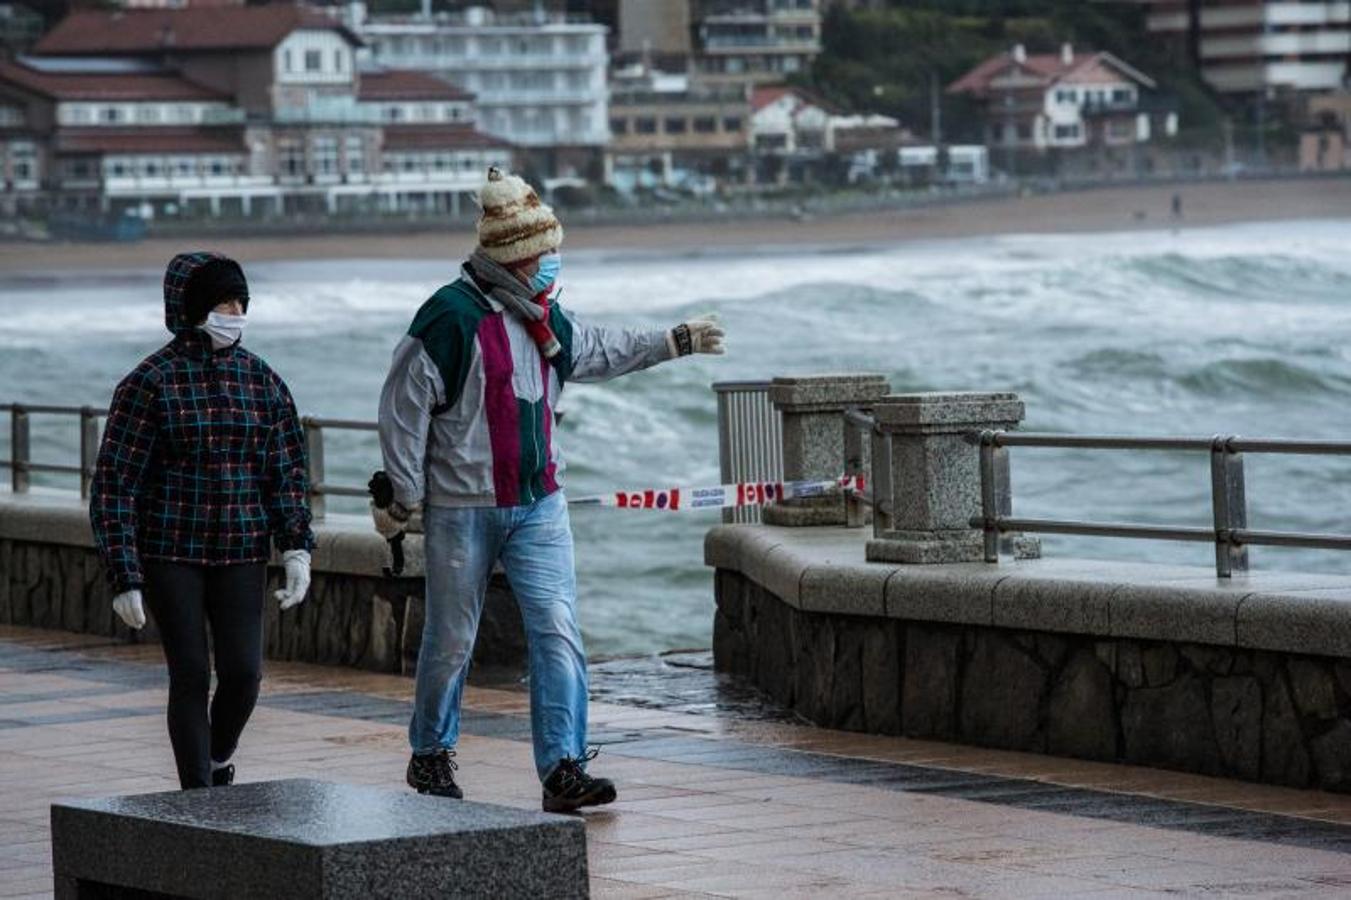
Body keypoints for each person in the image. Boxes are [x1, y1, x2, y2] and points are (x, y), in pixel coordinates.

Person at [376, 167, 725, 812]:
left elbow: (596, 349)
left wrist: (673, 341)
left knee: (558, 630)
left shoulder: (544, 317)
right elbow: (403, 406)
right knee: (452, 637)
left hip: (539, 503)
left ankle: (563, 766)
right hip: (462, 508)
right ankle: (429, 755)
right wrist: (404, 494)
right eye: (543, 254)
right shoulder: (449, 318)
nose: (552, 264)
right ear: (513, 257)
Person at [90, 251, 314, 790]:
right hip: (171, 553)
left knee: (243, 674)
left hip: (241, 551)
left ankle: (216, 758)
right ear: (190, 308)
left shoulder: (264, 383)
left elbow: (285, 473)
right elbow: (116, 485)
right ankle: (198, 798)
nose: (234, 312)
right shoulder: (149, 384)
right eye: (222, 302)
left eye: (240, 301)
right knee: (190, 672)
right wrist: (126, 575)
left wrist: (296, 548)